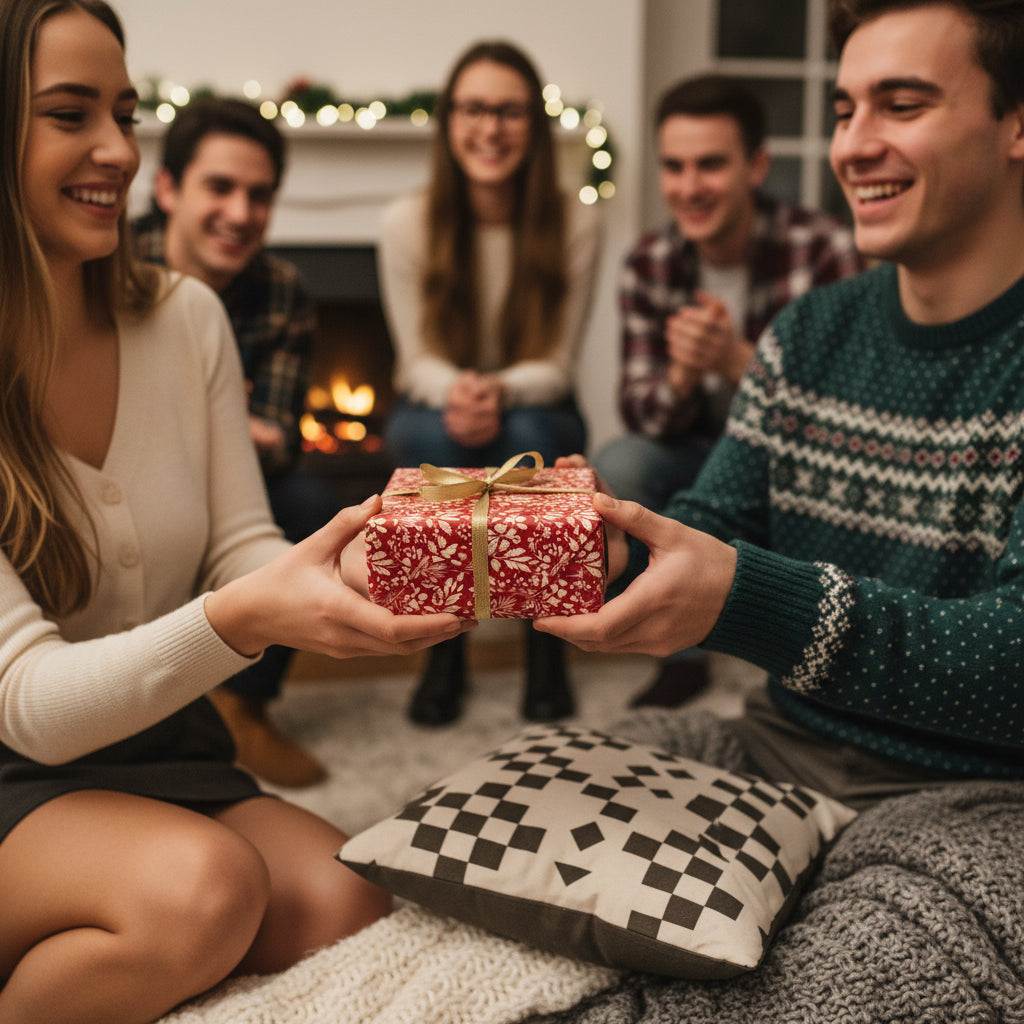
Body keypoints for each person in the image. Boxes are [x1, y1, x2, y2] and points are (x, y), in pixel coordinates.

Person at [0, 2, 468, 1020]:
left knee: (349, 895)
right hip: (12, 768)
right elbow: (29, 700)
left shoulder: (185, 319)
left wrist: (375, 563)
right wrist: (247, 618)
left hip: (164, 746)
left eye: (124, 112)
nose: (117, 151)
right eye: (68, 114)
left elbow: (242, 546)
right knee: (204, 894)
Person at [539, 0, 1024, 806]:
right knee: (524, 800)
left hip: (973, 791)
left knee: (850, 938)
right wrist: (618, 547)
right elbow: (714, 525)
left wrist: (749, 599)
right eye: (844, 110)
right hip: (779, 743)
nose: (853, 145)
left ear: (1014, 124)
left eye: (901, 106)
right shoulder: (808, 332)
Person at [593, 73, 865, 710]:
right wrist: (685, 376)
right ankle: (679, 653)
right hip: (692, 447)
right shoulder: (650, 261)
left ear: (756, 166)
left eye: (710, 164)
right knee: (621, 460)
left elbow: (852, 418)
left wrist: (741, 361)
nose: (689, 187)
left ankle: (796, 640)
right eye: (674, 166)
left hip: (788, 462)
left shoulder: (822, 248)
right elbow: (638, 408)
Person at [377, 40, 603, 728]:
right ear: (449, 121)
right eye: (474, 109)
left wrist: (497, 392)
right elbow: (414, 361)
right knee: (428, 436)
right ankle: (444, 646)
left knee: (529, 436)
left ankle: (547, 648)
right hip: (439, 405)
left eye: (509, 111)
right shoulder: (405, 222)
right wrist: (461, 393)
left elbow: (558, 363)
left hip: (532, 405)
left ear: (533, 127)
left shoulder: (576, 220)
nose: (491, 128)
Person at [132, 96, 334, 788]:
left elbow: (279, 442)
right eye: (220, 187)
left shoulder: (281, 291)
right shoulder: (108, 267)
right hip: (124, 473)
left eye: (259, 195)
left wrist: (211, 422)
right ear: (167, 188)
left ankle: (243, 708)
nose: (241, 213)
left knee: (310, 501)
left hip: (236, 477)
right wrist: (221, 415)